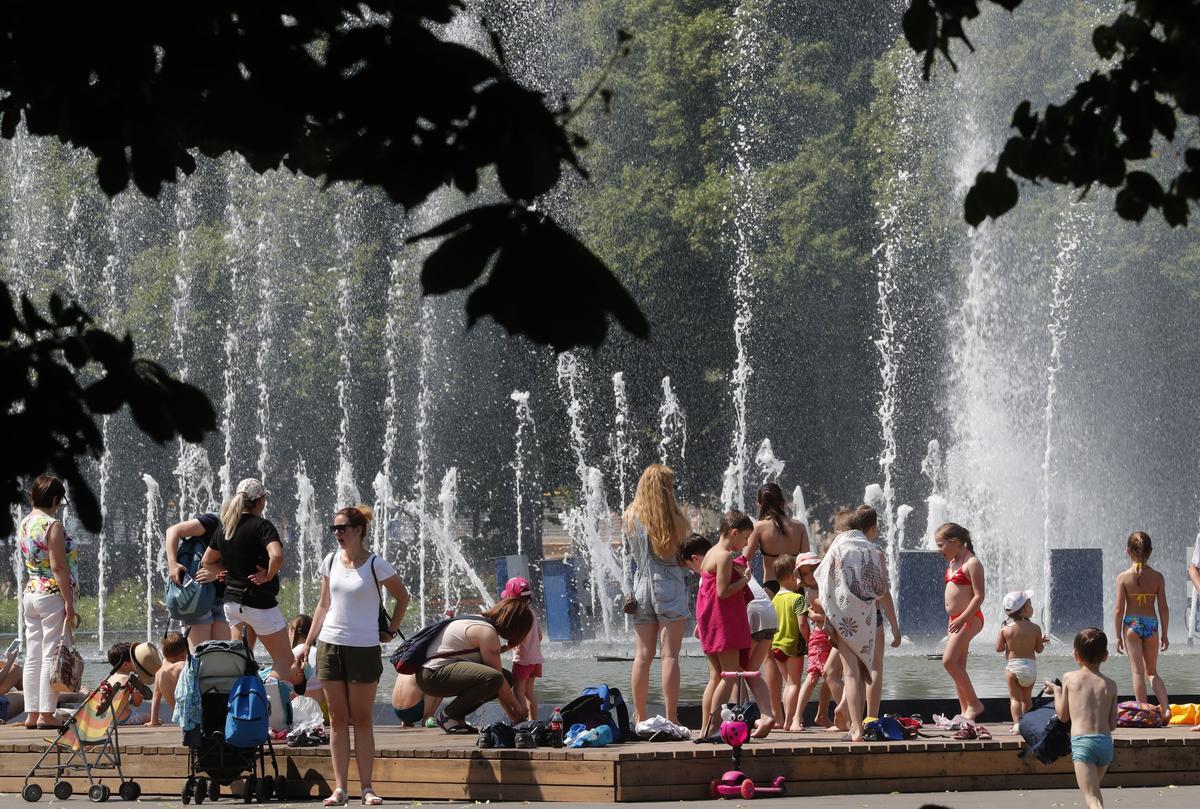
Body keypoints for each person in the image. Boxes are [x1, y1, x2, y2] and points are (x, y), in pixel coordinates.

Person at [296, 505, 409, 807]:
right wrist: (308, 643)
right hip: (330, 645)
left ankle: (368, 788)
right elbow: (322, 605)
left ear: (358, 530)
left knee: (361, 719)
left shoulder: (375, 564)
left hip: (363, 647)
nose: (337, 534)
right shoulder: (330, 560)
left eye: (342, 528)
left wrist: (391, 629)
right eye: (334, 529)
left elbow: (403, 596)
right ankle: (340, 788)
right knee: (337, 719)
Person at [200, 478, 306, 693]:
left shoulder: (225, 528)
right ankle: (270, 709)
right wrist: (268, 574)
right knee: (284, 659)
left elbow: (206, 561)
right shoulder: (262, 526)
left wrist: (224, 572)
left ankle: (241, 709)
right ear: (261, 501)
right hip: (259, 603)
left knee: (241, 661)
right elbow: (277, 556)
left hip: (232, 604)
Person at [625, 464, 691, 725]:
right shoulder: (675, 518)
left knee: (642, 655)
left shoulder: (631, 515)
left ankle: (640, 716)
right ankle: (672, 717)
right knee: (670, 655)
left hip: (640, 585)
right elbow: (682, 555)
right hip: (669, 584)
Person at [696, 511, 772, 737]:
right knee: (729, 676)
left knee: (716, 677)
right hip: (723, 622)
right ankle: (712, 726)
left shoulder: (711, 552)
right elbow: (722, 591)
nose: (747, 543)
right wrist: (745, 580)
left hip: (710, 621)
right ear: (734, 532)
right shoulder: (725, 556)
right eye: (745, 537)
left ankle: (704, 729)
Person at [813, 510, 887, 742]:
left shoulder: (837, 548)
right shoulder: (870, 550)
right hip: (867, 615)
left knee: (851, 673)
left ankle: (856, 727)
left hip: (844, 615)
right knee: (868, 670)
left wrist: (831, 606)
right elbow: (880, 588)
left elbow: (821, 576)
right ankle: (865, 721)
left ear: (841, 530)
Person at [415, 597, 532, 733]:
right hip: (432, 675)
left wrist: (514, 715)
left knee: (505, 678)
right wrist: (518, 707)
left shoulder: (477, 620)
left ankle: (457, 717)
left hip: (430, 673)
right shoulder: (487, 633)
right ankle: (448, 716)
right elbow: (496, 677)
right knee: (494, 678)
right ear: (515, 625)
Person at [16, 474, 79, 730]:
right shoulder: (51, 525)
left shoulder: (24, 523)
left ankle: (31, 714)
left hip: (30, 592)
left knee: (33, 655)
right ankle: (46, 714)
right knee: (52, 654)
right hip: (51, 593)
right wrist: (69, 602)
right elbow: (58, 567)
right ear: (54, 499)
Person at [1044, 628, 1118, 809]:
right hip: (1105, 744)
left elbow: (1062, 716)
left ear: (1076, 654)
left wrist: (1056, 690)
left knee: (1092, 799)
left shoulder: (1069, 678)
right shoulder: (1110, 684)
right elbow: (1113, 724)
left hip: (1083, 743)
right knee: (1094, 794)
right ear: (1106, 655)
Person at [1114, 531, 1170, 723]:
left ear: (1128, 551)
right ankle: (1166, 709)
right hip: (1152, 625)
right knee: (1152, 672)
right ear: (1150, 551)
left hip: (1132, 625)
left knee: (1137, 672)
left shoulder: (1123, 578)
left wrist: (1117, 636)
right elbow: (1163, 608)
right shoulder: (1157, 577)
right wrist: (1165, 634)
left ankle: (1144, 712)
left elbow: (1118, 610)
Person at [937, 522, 986, 721]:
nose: (938, 550)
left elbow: (979, 596)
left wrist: (963, 618)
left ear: (955, 542)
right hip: (955, 620)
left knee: (948, 661)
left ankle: (974, 703)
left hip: (970, 619)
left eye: (941, 545)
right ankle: (966, 712)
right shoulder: (953, 562)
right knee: (958, 665)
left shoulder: (971, 563)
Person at [856, 505, 901, 719]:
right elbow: (883, 592)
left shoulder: (842, 551)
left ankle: (850, 718)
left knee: (851, 670)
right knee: (874, 667)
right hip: (872, 617)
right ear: (874, 528)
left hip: (848, 618)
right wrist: (895, 627)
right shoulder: (876, 554)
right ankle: (871, 717)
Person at [165, 511, 231, 650]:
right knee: (199, 658)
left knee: (221, 658)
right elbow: (173, 531)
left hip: (224, 598)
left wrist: (218, 572)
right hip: (197, 594)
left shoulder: (249, 527)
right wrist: (172, 564)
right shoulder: (214, 521)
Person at [743, 483, 810, 595]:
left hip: (771, 586)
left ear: (760, 504)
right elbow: (806, 561)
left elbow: (745, 558)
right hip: (796, 586)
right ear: (782, 502)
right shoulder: (799, 527)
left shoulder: (759, 527)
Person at [995, 590, 1047, 734]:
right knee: (1026, 699)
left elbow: (998, 648)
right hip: (1030, 668)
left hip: (1013, 667)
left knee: (1015, 699)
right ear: (1023, 609)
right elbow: (1039, 649)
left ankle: (1017, 724)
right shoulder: (1035, 628)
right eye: (1029, 604)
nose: (1032, 607)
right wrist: (1040, 640)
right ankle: (1028, 725)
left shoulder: (1005, 629)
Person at [768, 555, 808, 730]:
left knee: (787, 683)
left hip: (776, 645)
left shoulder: (774, 599)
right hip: (793, 646)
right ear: (793, 576)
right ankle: (790, 720)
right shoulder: (798, 599)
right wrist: (809, 639)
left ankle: (786, 717)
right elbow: (802, 624)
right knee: (794, 684)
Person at [793, 553, 831, 729]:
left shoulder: (828, 586)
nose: (811, 575)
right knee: (813, 676)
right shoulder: (812, 592)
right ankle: (796, 717)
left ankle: (822, 714)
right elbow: (828, 608)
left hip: (833, 637)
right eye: (806, 573)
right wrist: (815, 614)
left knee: (832, 677)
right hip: (819, 638)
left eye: (813, 570)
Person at [500, 577, 543, 721]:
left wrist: (502, 649)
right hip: (536, 660)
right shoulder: (532, 613)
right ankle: (534, 721)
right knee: (529, 693)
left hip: (523, 660)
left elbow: (516, 640)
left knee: (518, 690)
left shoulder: (519, 615)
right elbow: (540, 636)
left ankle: (522, 720)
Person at [105, 642, 161, 724]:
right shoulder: (128, 681)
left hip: (108, 720)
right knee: (148, 717)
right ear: (126, 664)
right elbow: (137, 703)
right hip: (124, 718)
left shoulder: (110, 679)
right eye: (134, 659)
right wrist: (140, 688)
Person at [144, 632, 189, 726]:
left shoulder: (159, 671)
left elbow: (156, 696)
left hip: (179, 718)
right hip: (190, 716)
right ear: (184, 652)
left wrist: (154, 720)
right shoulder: (181, 666)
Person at [289, 614, 325, 710]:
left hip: (296, 710)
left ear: (292, 631)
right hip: (321, 710)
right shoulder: (320, 653)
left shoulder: (289, 655)